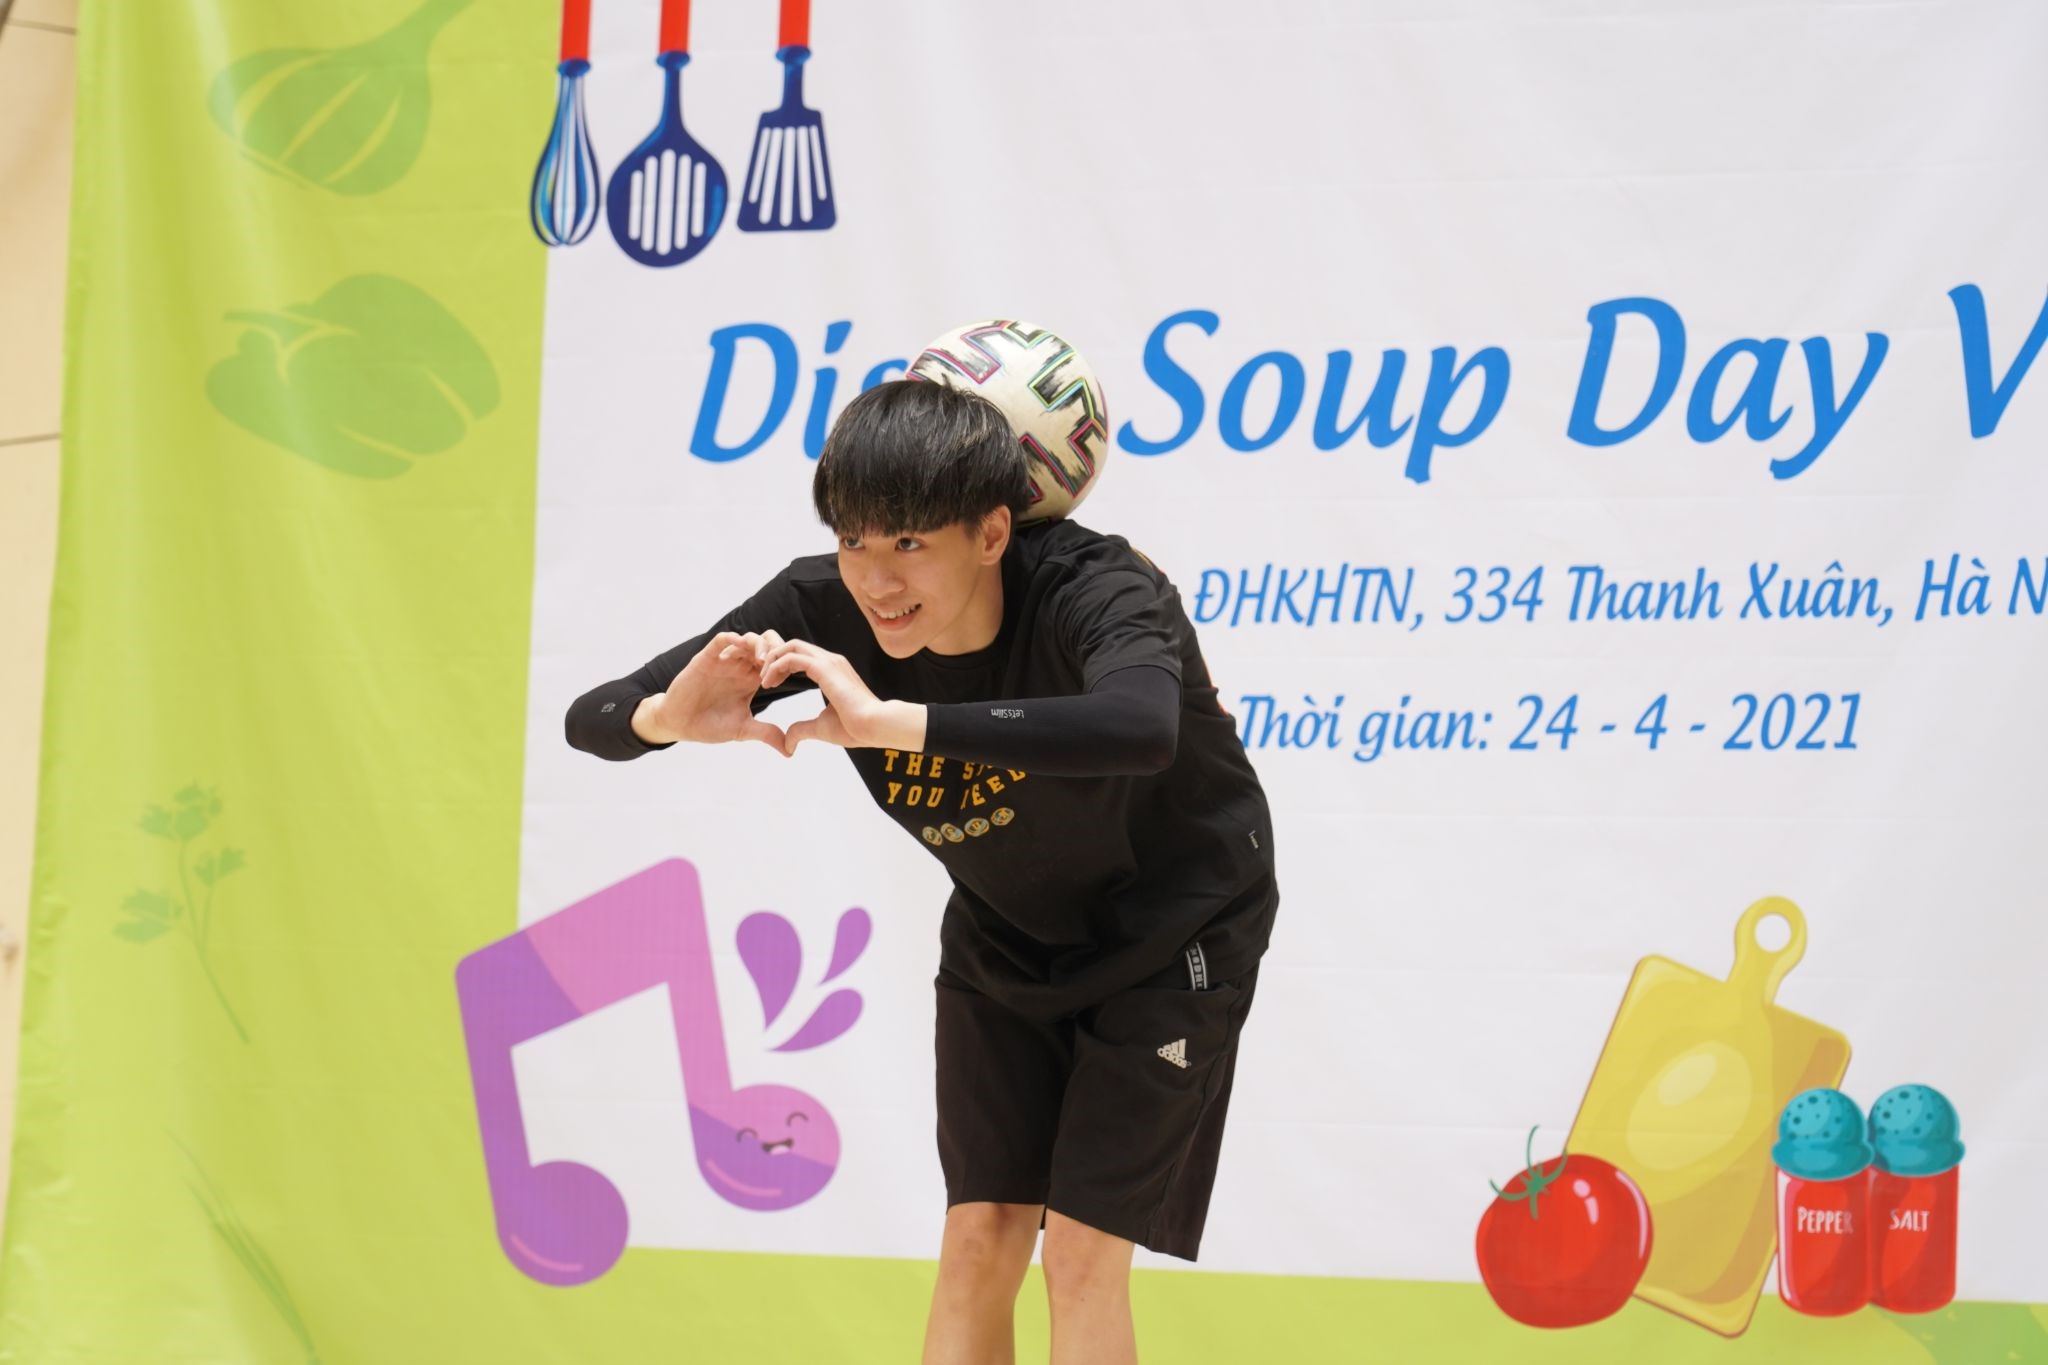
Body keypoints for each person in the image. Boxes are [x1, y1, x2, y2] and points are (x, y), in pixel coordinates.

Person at [565, 378, 1279, 1365]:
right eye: (854, 539)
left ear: (991, 532)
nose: (876, 579)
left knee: (1078, 1255)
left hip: (1173, 931)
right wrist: (665, 716)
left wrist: (891, 721)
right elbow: (596, 715)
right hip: (1005, 932)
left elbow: (1139, 726)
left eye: (909, 542)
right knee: (978, 1240)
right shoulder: (819, 603)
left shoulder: (1096, 587)